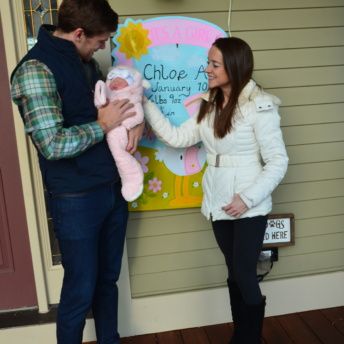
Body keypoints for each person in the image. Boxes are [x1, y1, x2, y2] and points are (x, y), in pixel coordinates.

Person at [10, 1, 143, 343]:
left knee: (107, 281)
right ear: (79, 33)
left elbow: (111, 111)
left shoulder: (89, 65)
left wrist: (132, 125)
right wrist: (102, 126)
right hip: (76, 199)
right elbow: (52, 144)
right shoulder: (35, 70)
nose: (103, 48)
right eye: (100, 41)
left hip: (112, 188)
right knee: (79, 291)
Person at [143, 37, 289, 343]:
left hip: (249, 204)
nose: (206, 68)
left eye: (214, 64)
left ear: (234, 67)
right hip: (218, 201)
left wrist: (246, 198)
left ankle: (250, 338)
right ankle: (241, 336)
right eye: (208, 62)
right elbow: (176, 137)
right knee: (234, 272)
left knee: (246, 274)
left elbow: (278, 162)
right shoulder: (209, 104)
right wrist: (145, 103)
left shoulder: (258, 106)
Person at [95, 65, 150, 202]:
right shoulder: (108, 94)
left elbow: (137, 114)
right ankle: (131, 179)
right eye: (112, 79)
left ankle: (132, 179)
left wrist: (132, 124)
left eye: (120, 80)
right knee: (120, 156)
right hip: (96, 175)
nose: (115, 82)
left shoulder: (132, 98)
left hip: (119, 134)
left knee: (120, 155)